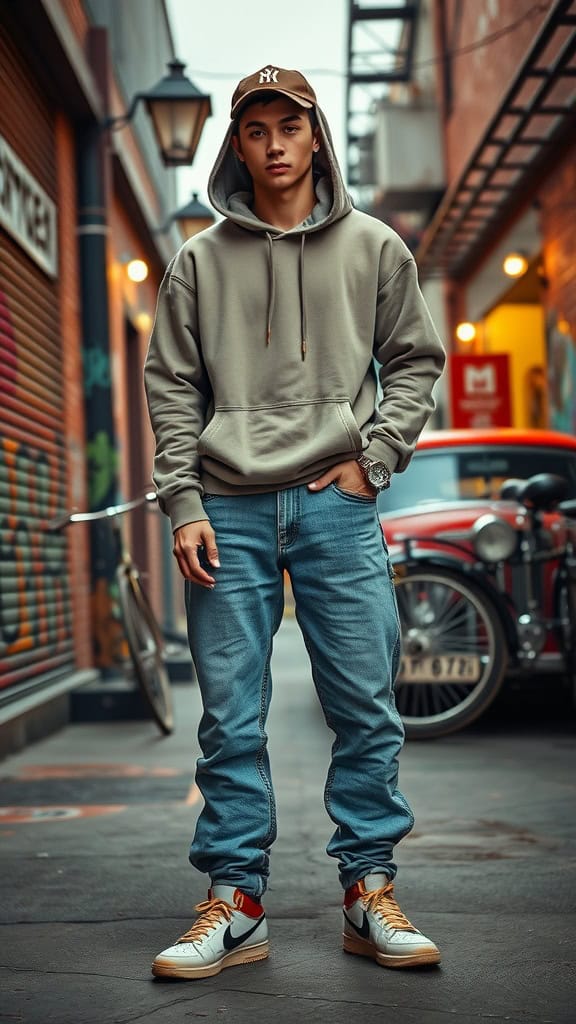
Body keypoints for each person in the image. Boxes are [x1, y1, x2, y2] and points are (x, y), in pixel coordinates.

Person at [144, 64, 446, 980]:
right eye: (255, 130)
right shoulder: (199, 260)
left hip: (334, 504)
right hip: (226, 511)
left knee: (365, 703)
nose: (273, 145)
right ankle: (235, 902)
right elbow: (171, 388)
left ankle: (368, 891)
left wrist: (378, 457)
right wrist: (183, 501)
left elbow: (416, 361)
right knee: (231, 719)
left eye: (289, 127)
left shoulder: (376, 247)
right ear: (236, 143)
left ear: (315, 136)